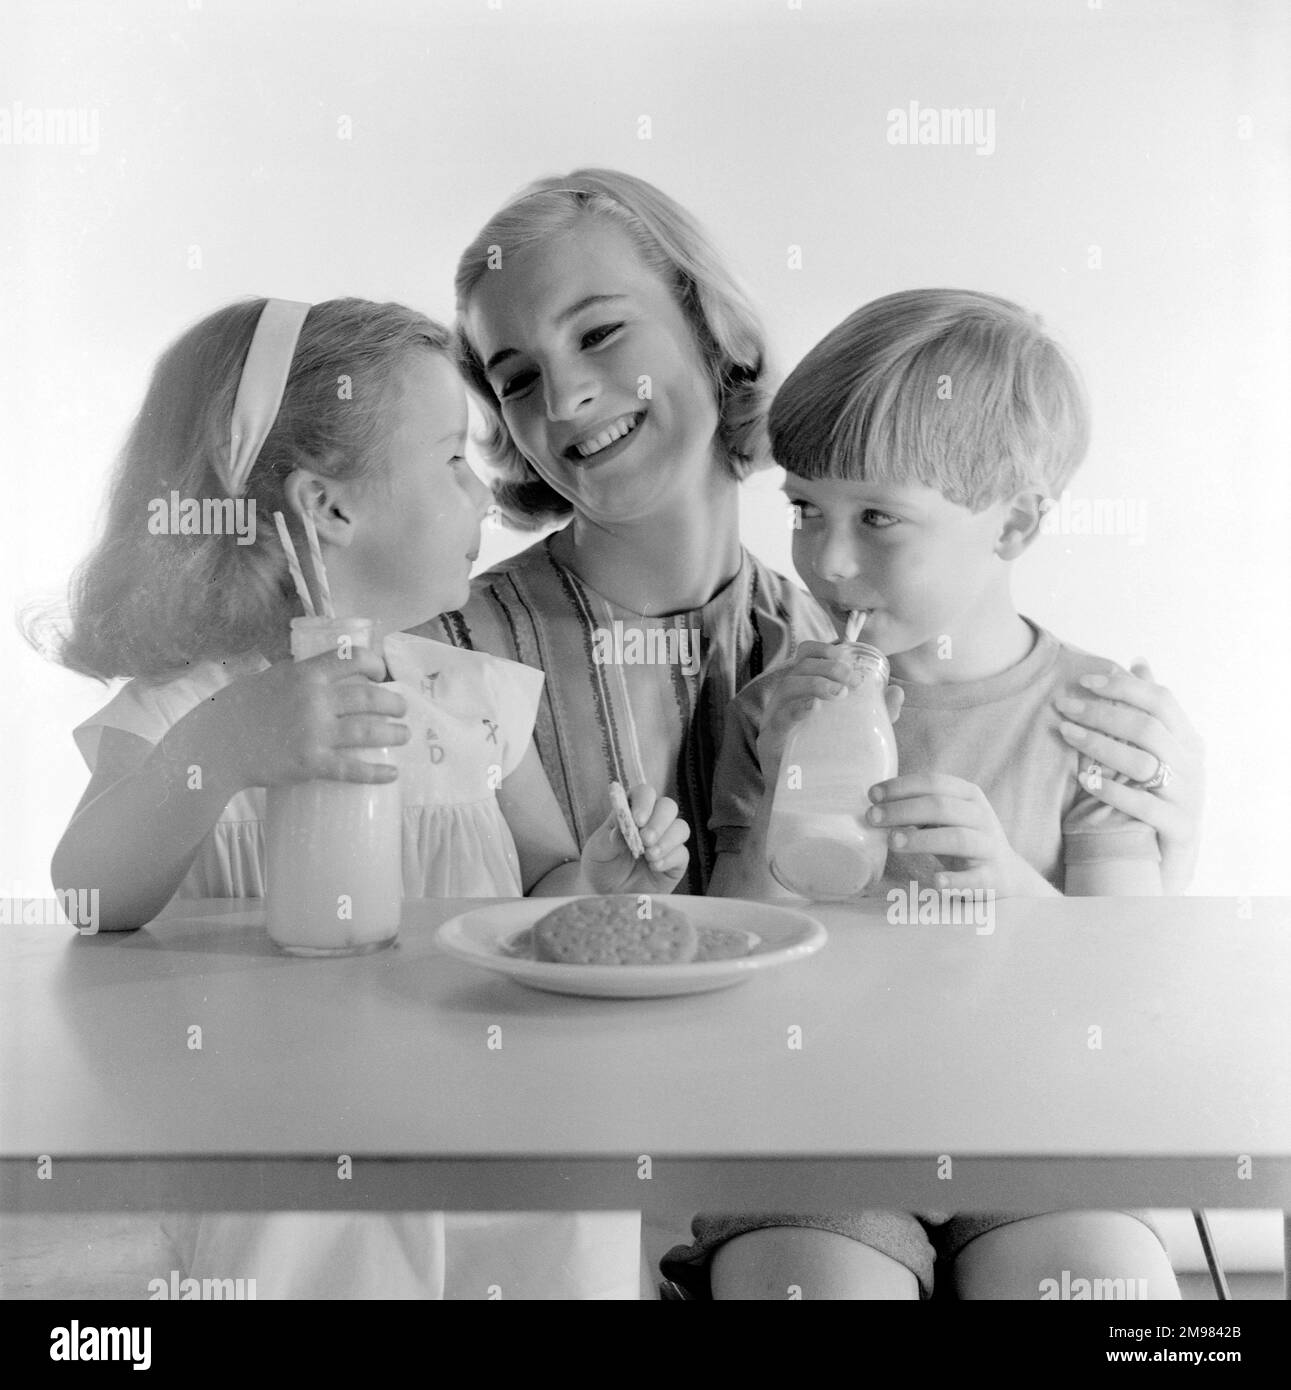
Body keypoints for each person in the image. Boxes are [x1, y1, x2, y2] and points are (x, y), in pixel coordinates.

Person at [48, 295, 686, 1297]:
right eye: (450, 460)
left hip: (491, 1121)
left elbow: (547, 879)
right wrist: (221, 751)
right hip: (273, 1140)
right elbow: (90, 894)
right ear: (328, 508)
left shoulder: (471, 703)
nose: (486, 496)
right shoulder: (186, 712)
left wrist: (597, 879)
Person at [416, 169, 1204, 897]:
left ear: (717, 335)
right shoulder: (443, 666)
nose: (561, 401)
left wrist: (1173, 848)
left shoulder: (824, 636)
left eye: (598, 333)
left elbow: (1116, 965)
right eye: (515, 379)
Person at [664, 288, 1183, 1298]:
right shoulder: (774, 711)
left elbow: (1128, 992)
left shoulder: (1095, 718)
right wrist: (776, 804)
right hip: (816, 1133)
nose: (829, 559)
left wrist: (1007, 889)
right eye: (807, 510)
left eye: (878, 519)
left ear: (1016, 523)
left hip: (1042, 1136)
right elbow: (733, 967)